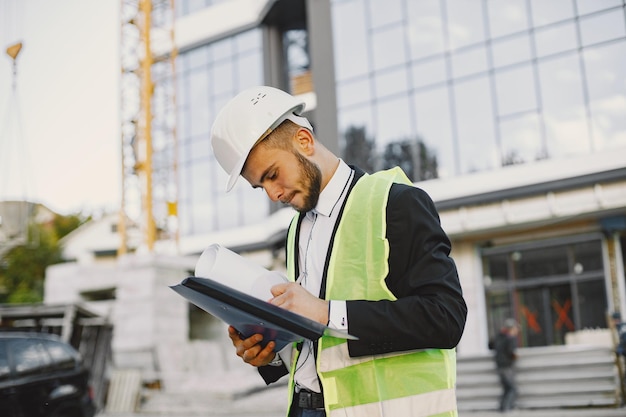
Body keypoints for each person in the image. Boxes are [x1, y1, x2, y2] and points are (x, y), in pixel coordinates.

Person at [209, 85, 467, 417]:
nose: (272, 194)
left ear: (304, 141)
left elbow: (445, 318)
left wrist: (324, 311)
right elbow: (322, 345)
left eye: (272, 175)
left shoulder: (395, 202)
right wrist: (270, 351)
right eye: (261, 186)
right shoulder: (296, 230)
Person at [493, 318, 519, 412]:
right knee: (512, 388)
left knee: (506, 388)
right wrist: (515, 357)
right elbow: (511, 352)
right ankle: (507, 408)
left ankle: (502, 407)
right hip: (506, 367)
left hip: (499, 366)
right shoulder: (510, 338)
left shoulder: (499, 337)